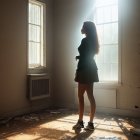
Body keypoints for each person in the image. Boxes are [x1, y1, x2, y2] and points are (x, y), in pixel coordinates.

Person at [73, 21, 99, 131]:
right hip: (91, 68)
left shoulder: (85, 40)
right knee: (90, 96)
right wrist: (79, 57)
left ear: (87, 29)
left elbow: (85, 56)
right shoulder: (93, 41)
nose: (81, 28)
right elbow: (88, 55)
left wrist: (80, 59)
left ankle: (80, 122)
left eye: (83, 26)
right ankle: (91, 123)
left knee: (80, 96)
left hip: (84, 69)